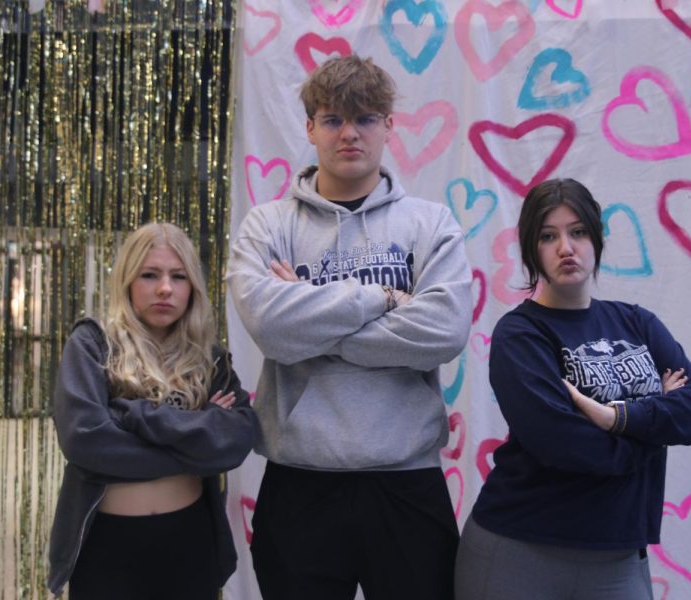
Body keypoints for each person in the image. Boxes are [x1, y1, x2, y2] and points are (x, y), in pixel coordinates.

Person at [227, 54, 472, 600]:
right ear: (310, 127)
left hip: (406, 481)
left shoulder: (430, 223)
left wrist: (309, 315)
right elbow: (269, 327)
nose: (349, 133)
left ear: (389, 126)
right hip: (300, 483)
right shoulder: (269, 224)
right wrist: (382, 298)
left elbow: (445, 331)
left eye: (365, 118)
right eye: (334, 119)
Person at [454, 179, 691, 600]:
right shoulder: (521, 334)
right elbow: (564, 444)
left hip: (617, 558)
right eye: (547, 236)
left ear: (596, 239)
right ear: (530, 250)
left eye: (577, 232)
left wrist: (616, 418)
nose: (565, 248)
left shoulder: (636, 322)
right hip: (519, 551)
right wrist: (658, 428)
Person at [47, 223, 257, 599]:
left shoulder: (210, 359)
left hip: (190, 542)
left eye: (178, 277)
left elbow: (236, 441)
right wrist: (196, 438)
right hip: (108, 547)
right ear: (127, 280)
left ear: (192, 286)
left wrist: (136, 417)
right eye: (149, 275)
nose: (165, 288)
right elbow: (86, 443)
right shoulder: (92, 345)